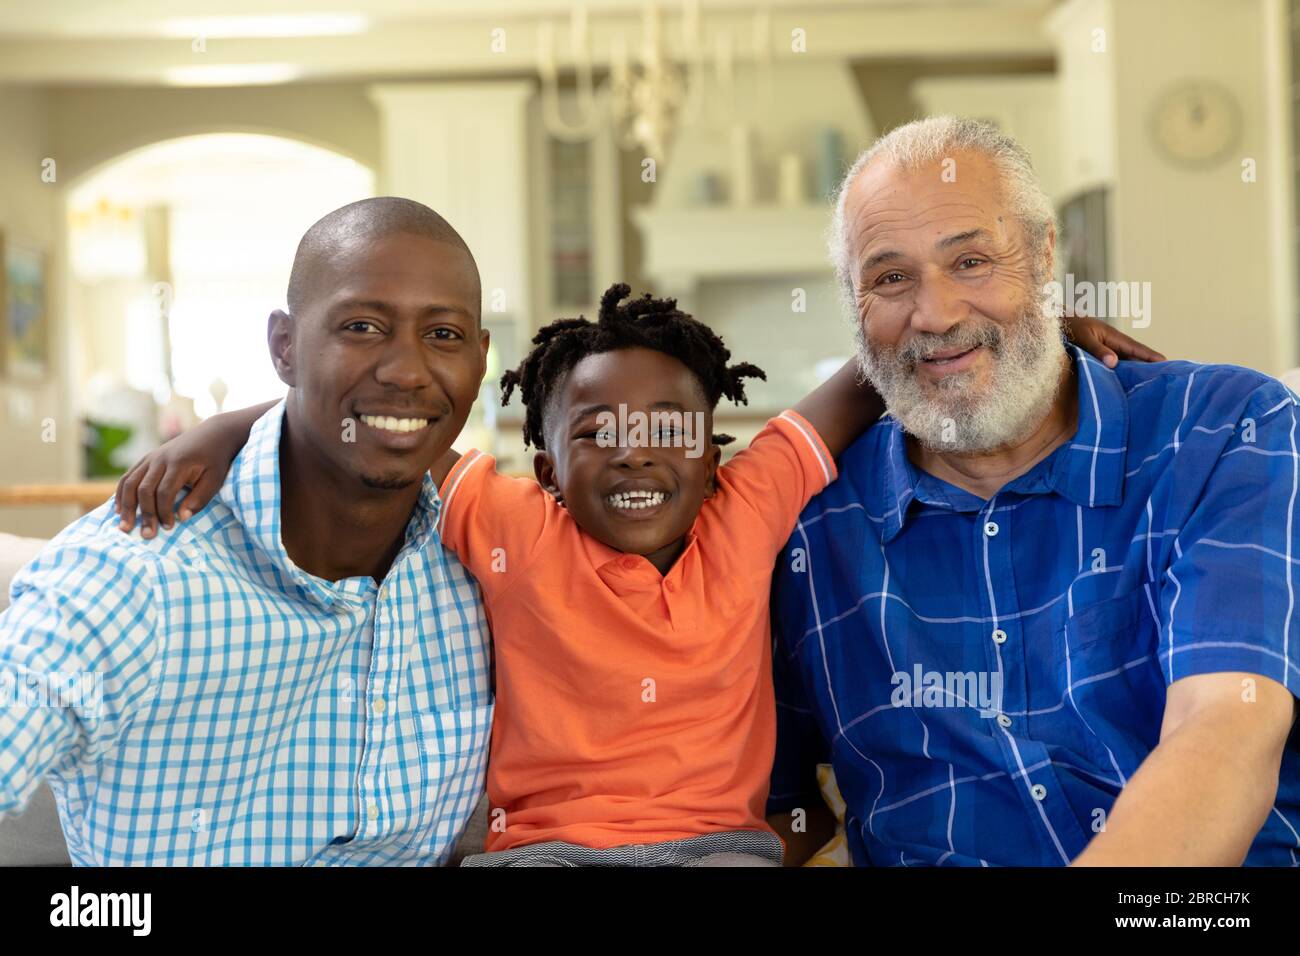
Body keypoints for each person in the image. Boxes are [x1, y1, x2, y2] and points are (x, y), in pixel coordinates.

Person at [114, 273, 1144, 866]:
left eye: (669, 428)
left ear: (713, 451)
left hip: (720, 853)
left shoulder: (748, 509)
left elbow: (873, 378)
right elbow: (376, 418)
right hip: (541, 853)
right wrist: (223, 424)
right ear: (547, 463)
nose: (638, 449)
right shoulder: (505, 516)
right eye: (598, 431)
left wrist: (1033, 343)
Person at [767, 116, 1300, 867]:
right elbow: (769, 804)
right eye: (891, 278)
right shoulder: (804, 528)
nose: (938, 314)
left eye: (973, 261)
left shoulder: (1220, 432)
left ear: (1047, 255)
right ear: (852, 302)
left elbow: (1225, 732)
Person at [0, 197, 493, 865]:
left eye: (443, 336)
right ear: (284, 348)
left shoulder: (492, 555)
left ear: (480, 360)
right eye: (361, 325)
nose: (407, 369)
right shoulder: (131, 573)